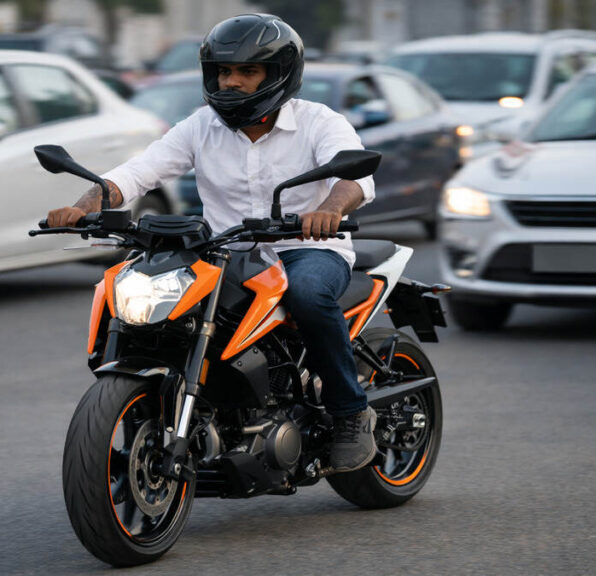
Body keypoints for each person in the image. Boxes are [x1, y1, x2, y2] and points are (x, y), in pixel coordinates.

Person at [46, 13, 377, 472]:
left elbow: (353, 176)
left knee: (307, 295)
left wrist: (330, 210)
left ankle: (349, 412)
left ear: (278, 74)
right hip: (226, 252)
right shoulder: (200, 126)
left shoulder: (320, 122)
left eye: (247, 71)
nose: (231, 82)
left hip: (305, 248)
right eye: (224, 71)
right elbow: (139, 172)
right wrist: (84, 205)